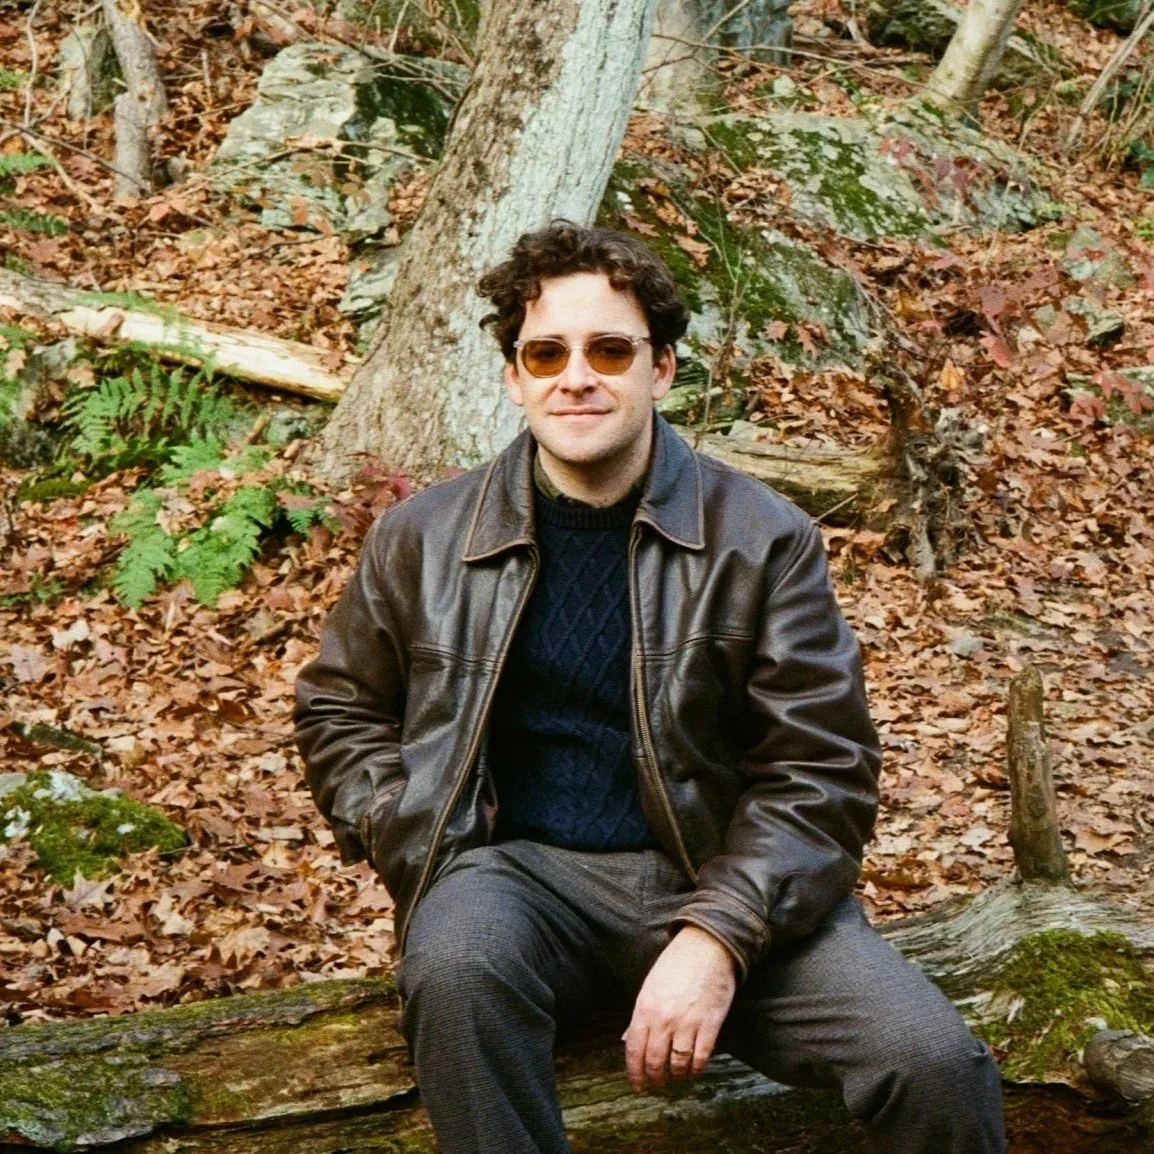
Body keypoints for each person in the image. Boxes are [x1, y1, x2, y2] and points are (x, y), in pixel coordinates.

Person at [294, 221, 1005, 1154]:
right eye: (545, 351)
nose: (575, 375)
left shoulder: (761, 538)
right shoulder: (423, 538)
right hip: (512, 878)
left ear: (660, 369)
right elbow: (338, 706)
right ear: (514, 376)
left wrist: (717, 937)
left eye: (609, 349)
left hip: (715, 873)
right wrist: (406, 820)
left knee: (932, 1060)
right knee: (455, 968)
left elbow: (822, 772)